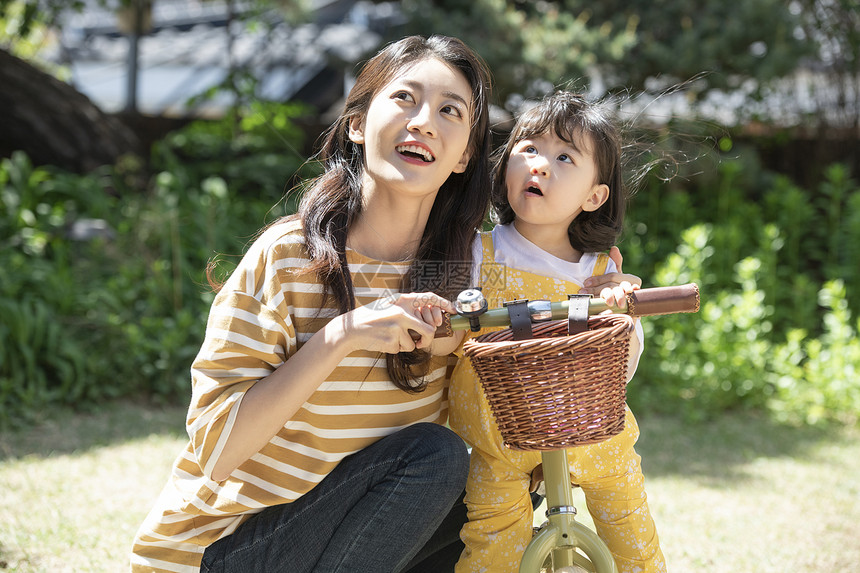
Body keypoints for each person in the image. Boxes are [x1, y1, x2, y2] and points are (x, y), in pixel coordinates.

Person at [130, 35, 495, 573]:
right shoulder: (288, 257)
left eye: (449, 111)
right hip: (224, 552)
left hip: (345, 544)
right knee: (434, 457)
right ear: (355, 123)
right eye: (404, 98)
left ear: (464, 153)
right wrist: (341, 335)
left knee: (495, 492)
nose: (423, 122)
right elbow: (218, 451)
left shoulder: (466, 274)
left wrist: (606, 287)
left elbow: (560, 309)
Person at [449, 91, 666, 572]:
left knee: (628, 514)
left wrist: (623, 316)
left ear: (594, 196)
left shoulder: (597, 270)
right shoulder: (478, 251)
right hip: (497, 432)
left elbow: (619, 364)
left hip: (587, 426)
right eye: (529, 148)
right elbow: (453, 319)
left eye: (564, 157)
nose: (540, 165)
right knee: (491, 540)